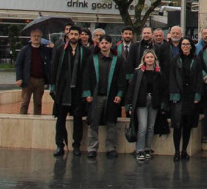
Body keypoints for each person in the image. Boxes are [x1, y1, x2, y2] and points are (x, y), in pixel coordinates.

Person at [82, 34, 125, 159]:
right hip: (96, 96)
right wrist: (87, 94)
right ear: (98, 44)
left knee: (111, 123)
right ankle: (92, 148)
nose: (104, 45)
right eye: (102, 43)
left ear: (111, 44)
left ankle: (111, 147)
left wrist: (120, 94)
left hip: (111, 96)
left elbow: (121, 79)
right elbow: (86, 77)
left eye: (107, 43)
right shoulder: (92, 58)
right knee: (93, 123)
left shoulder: (117, 59)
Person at [50, 26, 91, 156]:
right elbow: (54, 68)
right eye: (71, 34)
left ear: (79, 36)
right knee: (60, 119)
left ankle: (76, 145)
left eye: (76, 34)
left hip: (78, 90)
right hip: (63, 90)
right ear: (67, 35)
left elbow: (88, 72)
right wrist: (53, 87)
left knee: (78, 119)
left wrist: (86, 91)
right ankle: (59, 145)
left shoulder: (85, 51)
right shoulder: (60, 50)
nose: (73, 36)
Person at [125, 49, 168, 163]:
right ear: (144, 59)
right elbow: (131, 89)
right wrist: (129, 105)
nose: (149, 59)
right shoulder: (138, 72)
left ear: (155, 59)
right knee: (143, 126)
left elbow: (164, 89)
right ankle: (140, 149)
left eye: (151, 57)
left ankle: (147, 148)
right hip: (141, 101)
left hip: (154, 101)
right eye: (147, 57)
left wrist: (163, 104)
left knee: (151, 126)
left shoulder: (159, 73)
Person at [169, 38, 202, 161]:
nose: (185, 46)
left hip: (190, 95)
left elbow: (199, 78)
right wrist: (174, 95)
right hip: (179, 95)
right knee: (177, 125)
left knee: (187, 125)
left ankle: (184, 150)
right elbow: (172, 77)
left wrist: (197, 95)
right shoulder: (175, 60)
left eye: (187, 44)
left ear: (191, 46)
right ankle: (176, 151)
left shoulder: (196, 60)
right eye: (183, 44)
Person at [15, 28, 52, 115]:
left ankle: (37, 119)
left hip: (40, 81)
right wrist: (19, 78)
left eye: (38, 36)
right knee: (25, 102)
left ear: (41, 38)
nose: (36, 38)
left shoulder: (45, 50)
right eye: (34, 36)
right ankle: (22, 119)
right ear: (31, 37)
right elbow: (18, 64)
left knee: (38, 103)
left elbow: (54, 55)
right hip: (28, 80)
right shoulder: (25, 50)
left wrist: (52, 46)